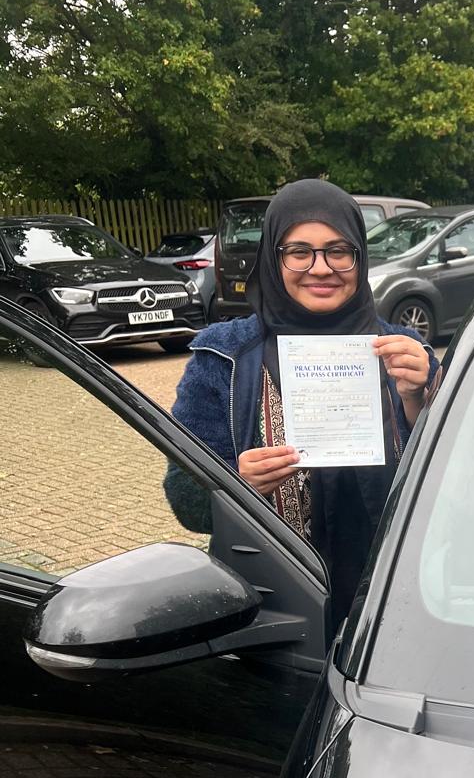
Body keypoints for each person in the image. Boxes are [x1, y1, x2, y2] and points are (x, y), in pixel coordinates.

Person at [165, 179, 436, 623]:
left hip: (393, 606)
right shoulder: (223, 357)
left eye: (338, 250)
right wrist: (236, 484)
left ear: (359, 257)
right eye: (299, 251)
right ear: (274, 259)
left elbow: (457, 488)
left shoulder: (406, 351)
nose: (321, 268)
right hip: (276, 611)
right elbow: (184, 500)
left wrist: (416, 399)